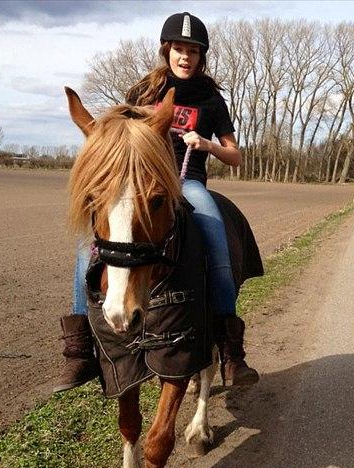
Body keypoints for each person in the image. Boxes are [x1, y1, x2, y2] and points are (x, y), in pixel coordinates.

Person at [54, 11, 259, 393]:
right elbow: (120, 135)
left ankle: (231, 350)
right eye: (179, 49)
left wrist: (207, 144)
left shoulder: (212, 100)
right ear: (167, 50)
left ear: (202, 56)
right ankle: (79, 349)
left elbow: (235, 155)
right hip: (142, 184)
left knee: (215, 236)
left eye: (193, 51)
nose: (186, 57)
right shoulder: (142, 92)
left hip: (188, 182)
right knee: (89, 246)